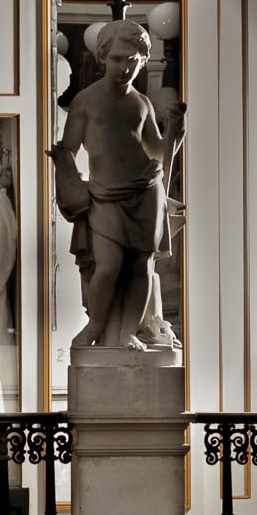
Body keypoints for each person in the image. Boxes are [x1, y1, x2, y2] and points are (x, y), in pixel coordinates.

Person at [50, 18, 186, 351]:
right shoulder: (87, 101)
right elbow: (68, 147)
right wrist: (63, 168)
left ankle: (128, 331)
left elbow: (156, 150)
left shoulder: (141, 103)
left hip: (146, 192)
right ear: (103, 57)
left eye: (132, 60)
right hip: (106, 195)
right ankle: (95, 325)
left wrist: (175, 134)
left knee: (141, 265)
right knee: (108, 266)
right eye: (117, 58)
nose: (124, 67)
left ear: (142, 60)